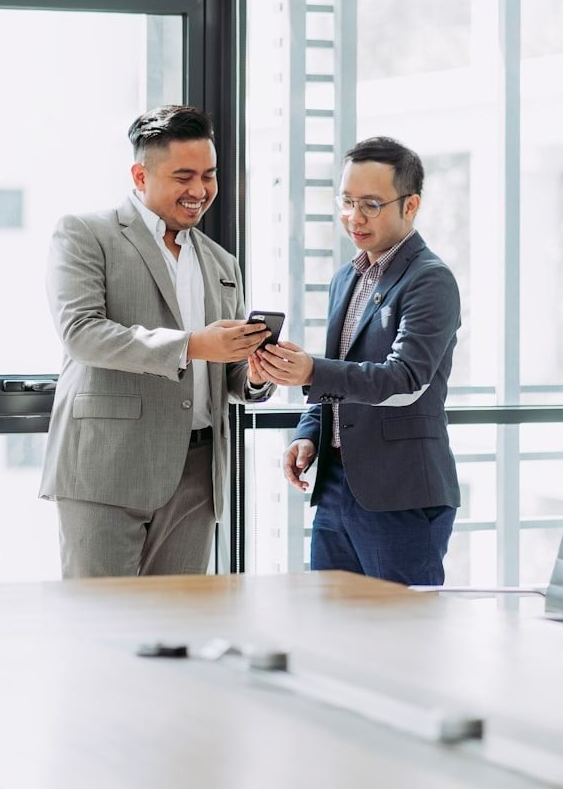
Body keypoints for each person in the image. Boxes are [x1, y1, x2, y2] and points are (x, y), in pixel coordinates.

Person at [39, 105, 274, 578]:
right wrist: (191, 345)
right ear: (140, 175)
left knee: (179, 629)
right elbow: (82, 333)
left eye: (208, 176)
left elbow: (224, 372)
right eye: (183, 176)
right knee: (102, 625)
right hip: (107, 465)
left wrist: (254, 373)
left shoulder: (223, 263)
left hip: (199, 474)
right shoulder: (86, 234)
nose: (200, 191)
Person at [250, 136, 461, 585]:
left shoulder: (430, 280)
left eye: (370, 204)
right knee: (334, 632)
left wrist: (310, 370)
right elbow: (341, 370)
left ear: (411, 205)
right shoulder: (347, 276)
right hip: (335, 486)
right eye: (346, 201)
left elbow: (404, 379)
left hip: (398, 493)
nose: (354, 217)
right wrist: (309, 433)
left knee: (402, 639)